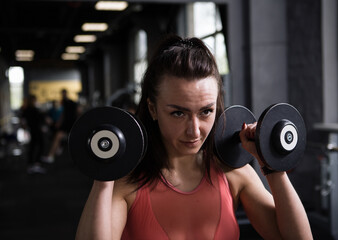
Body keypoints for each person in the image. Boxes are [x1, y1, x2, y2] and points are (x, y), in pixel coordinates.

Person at [75, 35, 313, 239]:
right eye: (178, 113)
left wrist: (272, 166)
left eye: (206, 112)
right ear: (152, 109)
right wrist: (104, 173)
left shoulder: (234, 173)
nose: (195, 130)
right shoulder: (127, 184)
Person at [42, 89, 78, 163]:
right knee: (58, 137)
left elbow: (65, 114)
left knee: (59, 137)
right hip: (70, 124)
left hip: (69, 124)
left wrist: (59, 122)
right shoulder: (68, 102)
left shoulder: (68, 103)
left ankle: (52, 155)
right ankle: (53, 153)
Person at [21, 95, 47, 174]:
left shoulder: (26, 109)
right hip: (35, 130)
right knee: (40, 145)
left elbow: (23, 120)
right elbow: (39, 118)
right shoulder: (33, 109)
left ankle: (31, 164)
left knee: (33, 147)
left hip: (32, 130)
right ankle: (36, 164)